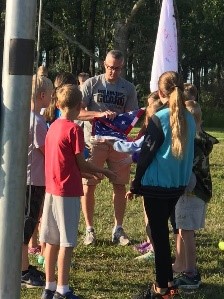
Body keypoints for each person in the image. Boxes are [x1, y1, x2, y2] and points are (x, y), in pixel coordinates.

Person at [40, 84, 116, 299]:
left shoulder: (52, 126)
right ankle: (63, 290)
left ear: (58, 104)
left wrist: (89, 176)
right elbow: (81, 163)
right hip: (68, 192)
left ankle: (49, 286)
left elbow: (65, 163)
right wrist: (104, 172)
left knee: (52, 241)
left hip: (51, 190)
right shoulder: (74, 130)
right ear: (79, 105)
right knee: (67, 242)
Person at [131, 71, 196, 299]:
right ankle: (168, 282)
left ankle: (161, 288)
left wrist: (136, 182)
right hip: (177, 185)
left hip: (156, 185)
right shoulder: (189, 118)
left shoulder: (160, 118)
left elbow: (147, 154)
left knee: (158, 236)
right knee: (163, 233)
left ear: (160, 92)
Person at [77, 49, 138, 246]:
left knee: (119, 184)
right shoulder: (92, 83)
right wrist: (98, 115)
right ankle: (89, 229)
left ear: (122, 67)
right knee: (89, 185)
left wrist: (118, 118)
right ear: (104, 64)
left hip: (118, 143)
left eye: (117, 69)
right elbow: (78, 112)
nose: (113, 72)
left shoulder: (128, 88)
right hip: (94, 142)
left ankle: (118, 229)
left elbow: (132, 117)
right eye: (110, 67)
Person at [173, 100, 217, 289]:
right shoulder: (201, 140)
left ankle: (191, 273)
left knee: (187, 232)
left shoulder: (192, 143)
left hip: (190, 194)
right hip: (199, 193)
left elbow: (189, 175)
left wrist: (179, 187)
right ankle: (182, 265)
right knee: (184, 230)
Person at [112, 91, 162, 259]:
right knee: (158, 217)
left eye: (148, 105)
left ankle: (154, 250)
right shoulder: (165, 129)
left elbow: (137, 148)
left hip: (150, 180)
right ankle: (154, 245)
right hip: (162, 180)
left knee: (152, 217)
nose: (146, 108)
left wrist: (114, 140)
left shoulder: (154, 130)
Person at [21, 75, 53, 288]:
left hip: (27, 179)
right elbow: (47, 151)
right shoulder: (38, 122)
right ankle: (22, 272)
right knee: (26, 225)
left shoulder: (25, 116)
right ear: (42, 96)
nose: (51, 98)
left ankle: (23, 265)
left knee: (26, 224)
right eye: (50, 95)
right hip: (33, 182)